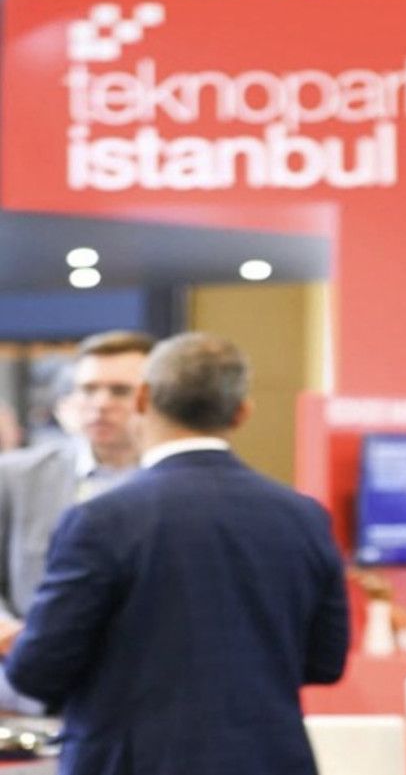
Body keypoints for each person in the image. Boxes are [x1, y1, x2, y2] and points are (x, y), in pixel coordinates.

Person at [1, 332, 349, 775]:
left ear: (143, 400)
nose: (101, 403)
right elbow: (325, 662)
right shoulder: (304, 517)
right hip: (270, 759)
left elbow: (36, 671)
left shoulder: (101, 520)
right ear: (242, 412)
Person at [0, 330, 153, 623]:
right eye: (88, 389)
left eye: (120, 391)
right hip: (35, 645)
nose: (101, 403)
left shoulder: (177, 483)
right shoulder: (16, 477)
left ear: (155, 398)